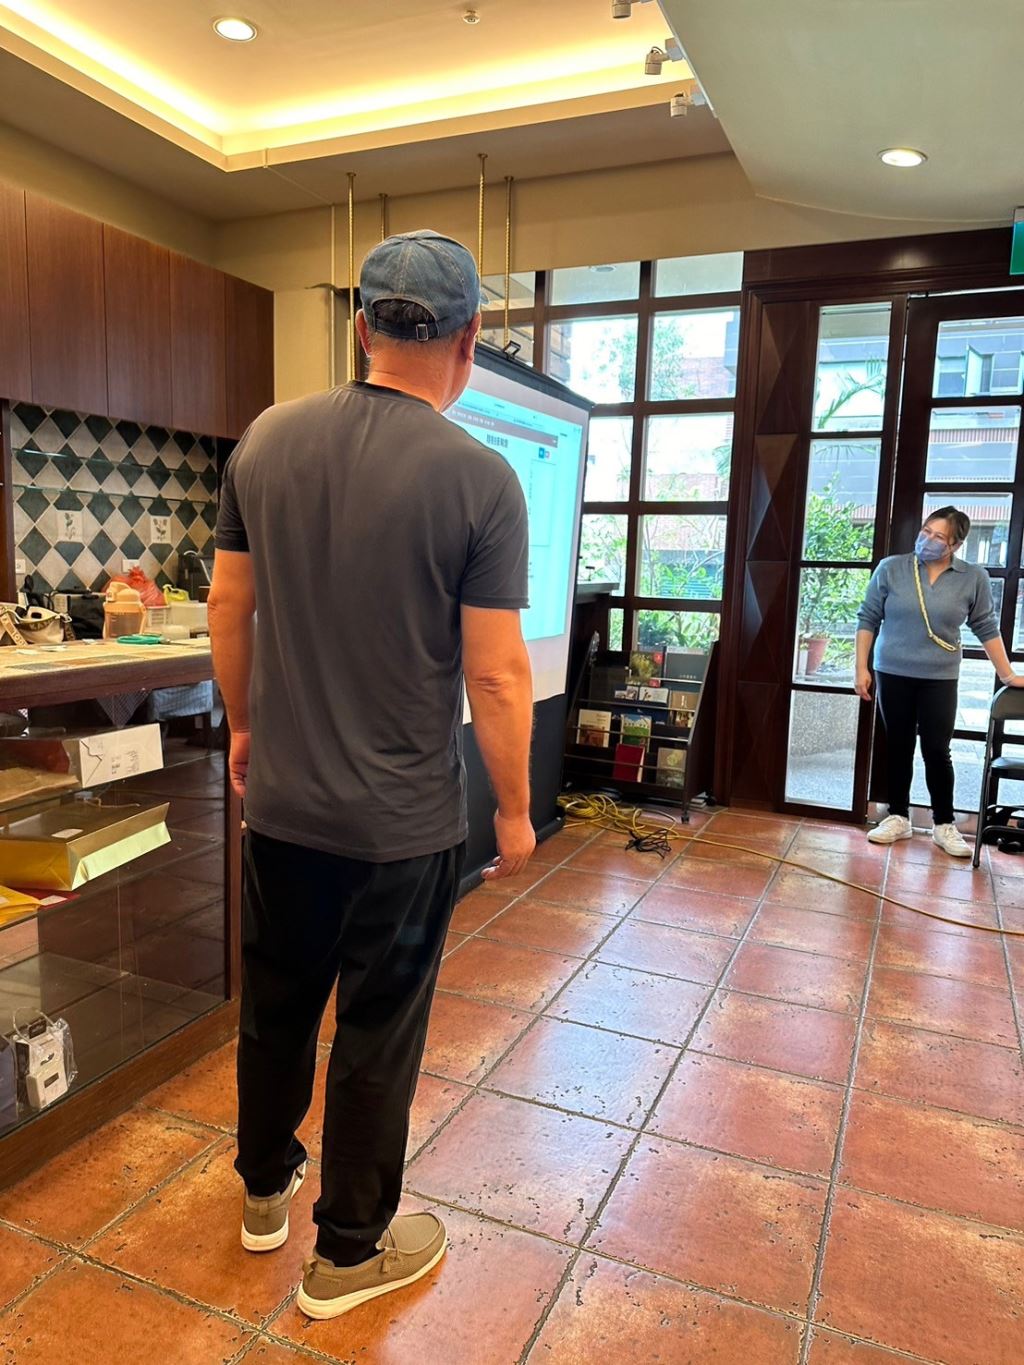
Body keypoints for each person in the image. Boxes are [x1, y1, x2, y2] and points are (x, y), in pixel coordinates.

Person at [208, 229, 536, 1321]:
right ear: (470, 339)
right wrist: (516, 811)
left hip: (283, 810)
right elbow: (496, 673)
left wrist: (245, 728)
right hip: (402, 827)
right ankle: (347, 1253)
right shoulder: (481, 479)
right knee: (376, 1032)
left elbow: (228, 605)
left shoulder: (266, 439)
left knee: (275, 1010)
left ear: (361, 329)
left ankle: (264, 1192)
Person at [855, 505, 1024, 855]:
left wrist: (1007, 673)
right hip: (892, 671)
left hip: (940, 677)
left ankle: (944, 824)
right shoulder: (892, 568)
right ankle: (898, 817)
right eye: (926, 531)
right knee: (899, 745)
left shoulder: (972, 577)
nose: (928, 540)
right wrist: (861, 668)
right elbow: (868, 617)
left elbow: (985, 626)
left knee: (936, 749)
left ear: (955, 545)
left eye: (939, 537)